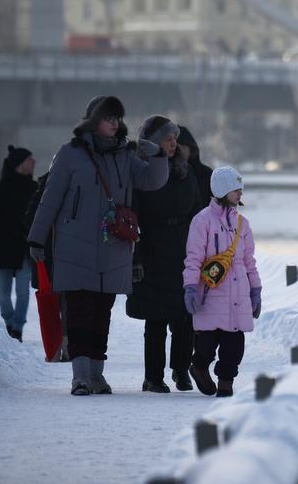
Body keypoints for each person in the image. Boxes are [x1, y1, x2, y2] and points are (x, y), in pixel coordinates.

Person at [27, 95, 169, 396]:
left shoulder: (126, 155)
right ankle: (80, 377)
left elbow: (151, 182)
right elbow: (50, 198)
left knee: (102, 312)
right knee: (79, 311)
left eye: (117, 119)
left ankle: (96, 375)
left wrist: (157, 156)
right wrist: (37, 238)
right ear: (93, 120)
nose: (114, 124)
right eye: (109, 118)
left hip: (113, 247)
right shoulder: (70, 154)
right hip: (74, 246)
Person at [126, 115, 205, 393]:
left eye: (175, 139)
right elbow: (133, 210)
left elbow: (197, 208)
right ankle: (153, 377)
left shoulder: (185, 170)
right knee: (156, 317)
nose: (174, 144)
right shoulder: (140, 170)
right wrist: (134, 255)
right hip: (151, 246)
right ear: (153, 141)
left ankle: (181, 370)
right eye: (168, 139)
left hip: (183, 248)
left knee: (184, 315)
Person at [182, 165, 261, 398]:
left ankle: (226, 380)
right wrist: (190, 288)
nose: (240, 194)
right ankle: (199, 366)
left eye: (241, 189)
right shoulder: (202, 221)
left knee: (234, 344)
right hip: (211, 293)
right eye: (236, 189)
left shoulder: (242, 224)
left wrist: (255, 288)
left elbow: (249, 260)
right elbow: (193, 258)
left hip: (238, 293)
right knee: (207, 342)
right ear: (222, 190)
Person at [0, 145, 36, 341]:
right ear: (19, 164)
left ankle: (17, 327)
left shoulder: (35, 188)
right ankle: (9, 323)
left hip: (25, 247)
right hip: (4, 246)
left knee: (23, 291)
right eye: (29, 159)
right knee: (3, 292)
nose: (33, 162)